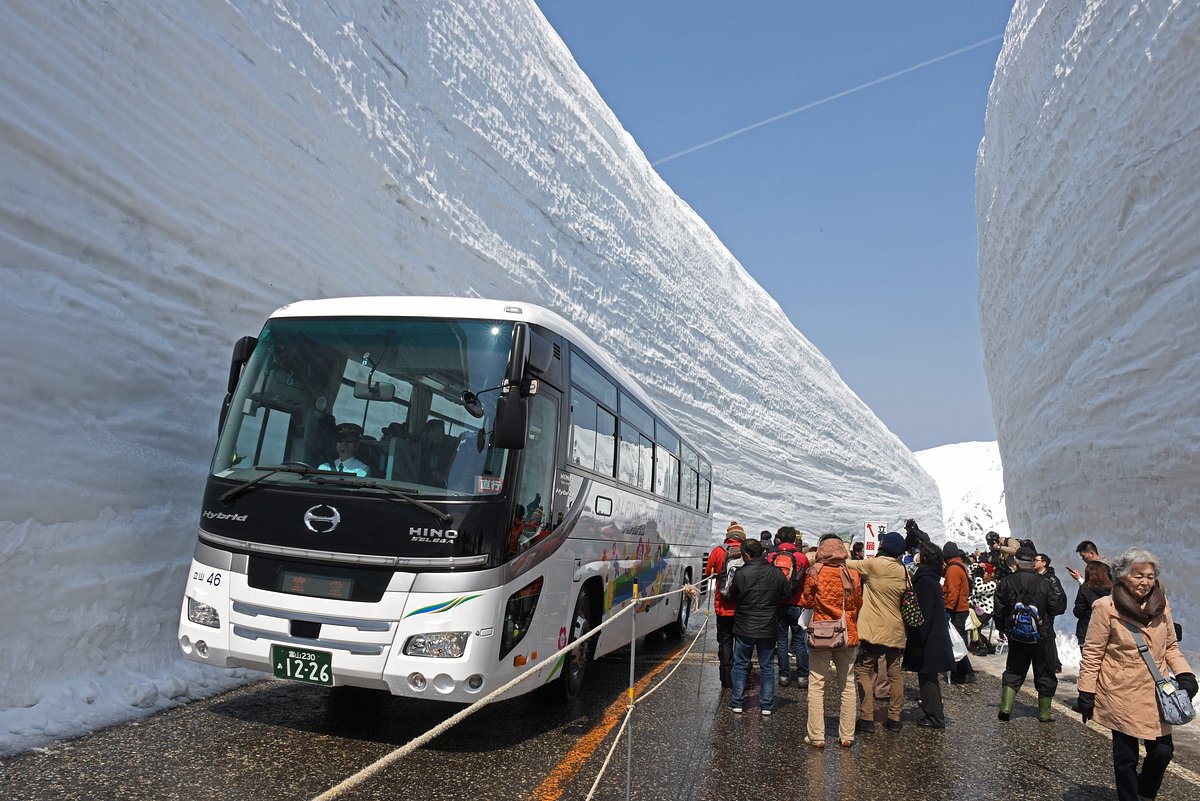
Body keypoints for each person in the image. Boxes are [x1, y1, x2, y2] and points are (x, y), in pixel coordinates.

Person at [1077, 548, 1197, 801]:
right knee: (1126, 757)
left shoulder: (1162, 606)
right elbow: (1093, 653)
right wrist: (1086, 691)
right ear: (1122, 576)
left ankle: (1145, 792)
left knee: (1163, 752)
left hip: (1157, 690)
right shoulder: (1105, 607)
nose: (1145, 581)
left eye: (1150, 576)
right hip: (1121, 691)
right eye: (1138, 575)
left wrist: (1185, 674)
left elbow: (1171, 647)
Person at [798, 534, 862, 748]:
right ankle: (847, 735)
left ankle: (817, 735)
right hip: (847, 634)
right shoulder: (853, 574)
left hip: (822, 635)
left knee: (817, 683)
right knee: (847, 683)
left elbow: (806, 601)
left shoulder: (815, 572)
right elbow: (857, 603)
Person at [994, 545, 1066, 722]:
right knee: (1045, 672)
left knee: (1014, 669)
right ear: (1033, 563)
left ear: (1016, 562)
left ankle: (1006, 708)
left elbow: (999, 609)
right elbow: (1058, 607)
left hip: (1016, 635)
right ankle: (1044, 713)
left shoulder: (1006, 582)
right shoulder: (1045, 582)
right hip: (1042, 636)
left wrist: (1002, 628)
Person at [846, 530, 908, 733]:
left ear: (883, 546)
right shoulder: (904, 571)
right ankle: (895, 718)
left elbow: (847, 564)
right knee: (894, 673)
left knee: (863, 670)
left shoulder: (873, 565)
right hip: (896, 629)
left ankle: (866, 718)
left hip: (873, 629)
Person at [726, 538, 787, 715]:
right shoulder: (777, 573)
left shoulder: (741, 573)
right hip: (768, 625)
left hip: (745, 625)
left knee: (740, 664)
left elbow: (732, 595)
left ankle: (737, 702)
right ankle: (766, 705)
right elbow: (786, 593)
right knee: (767, 665)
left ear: (746, 554)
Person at [902, 540, 954, 728]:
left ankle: (934, 717)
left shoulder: (924, 581)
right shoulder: (931, 578)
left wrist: (916, 643)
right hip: (934, 637)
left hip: (929, 639)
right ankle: (933, 714)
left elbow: (921, 617)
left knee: (927, 677)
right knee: (928, 677)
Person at [705, 521, 747, 689]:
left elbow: (708, 572)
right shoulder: (748, 551)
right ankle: (742, 677)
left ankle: (726, 678)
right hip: (744, 607)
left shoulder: (718, 551)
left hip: (723, 606)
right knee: (743, 642)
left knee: (725, 641)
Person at [770, 526, 810, 688]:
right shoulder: (801, 557)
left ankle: (784, 676)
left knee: (781, 641)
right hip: (797, 603)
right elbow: (806, 580)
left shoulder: (772, 556)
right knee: (799, 641)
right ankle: (802, 677)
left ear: (778, 538)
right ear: (795, 539)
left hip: (778, 603)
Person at [942, 541, 976, 684]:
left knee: (957, 642)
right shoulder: (960, 566)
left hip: (956, 610)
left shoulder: (953, 570)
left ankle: (965, 672)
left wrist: (947, 610)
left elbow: (952, 593)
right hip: (962, 608)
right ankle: (964, 671)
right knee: (959, 641)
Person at [1035, 552, 1066, 673]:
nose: (1034, 562)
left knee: (1047, 637)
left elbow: (1058, 595)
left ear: (1044, 563)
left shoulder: (1051, 578)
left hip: (1046, 613)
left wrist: (1050, 609)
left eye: (1036, 560)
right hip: (1039, 611)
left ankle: (1054, 663)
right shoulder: (1037, 576)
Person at [1074, 560, 1114, 647]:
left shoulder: (1084, 589)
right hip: (1109, 630)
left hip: (1087, 630)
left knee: (1089, 658)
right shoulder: (1112, 589)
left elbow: (1078, 612)